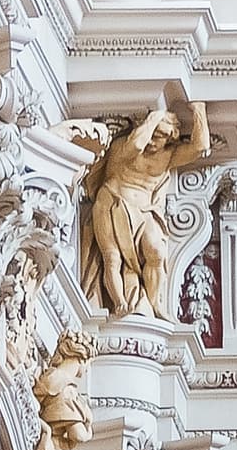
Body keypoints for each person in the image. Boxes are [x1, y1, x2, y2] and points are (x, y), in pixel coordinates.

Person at [83, 105, 209, 319]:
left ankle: (154, 304)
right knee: (112, 258)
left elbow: (200, 147)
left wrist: (199, 110)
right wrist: (153, 119)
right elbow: (137, 143)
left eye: (159, 137)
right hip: (113, 203)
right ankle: (120, 302)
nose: (152, 141)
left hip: (145, 212)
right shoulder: (125, 146)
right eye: (151, 134)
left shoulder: (168, 156)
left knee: (157, 254)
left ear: (170, 137)